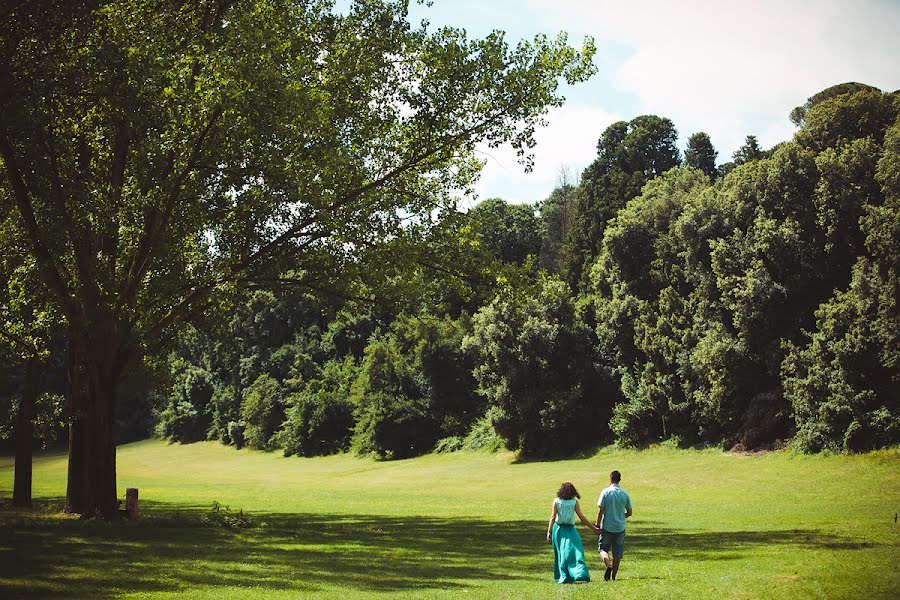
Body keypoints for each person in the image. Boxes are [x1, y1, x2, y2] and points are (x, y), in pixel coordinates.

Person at [546, 481, 602, 584]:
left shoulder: (556, 501)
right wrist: (593, 528)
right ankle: (578, 573)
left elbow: (553, 517)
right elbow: (581, 517)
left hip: (558, 529)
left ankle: (567, 575)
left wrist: (549, 532)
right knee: (577, 550)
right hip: (569, 529)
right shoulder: (574, 502)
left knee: (562, 553)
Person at [595, 469, 632, 581]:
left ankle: (608, 564)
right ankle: (614, 577)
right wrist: (621, 517)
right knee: (617, 553)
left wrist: (597, 525)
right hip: (620, 527)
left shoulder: (605, 492)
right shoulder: (625, 494)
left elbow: (600, 510)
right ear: (619, 480)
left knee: (603, 549)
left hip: (607, 526)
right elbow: (629, 512)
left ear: (610, 479)